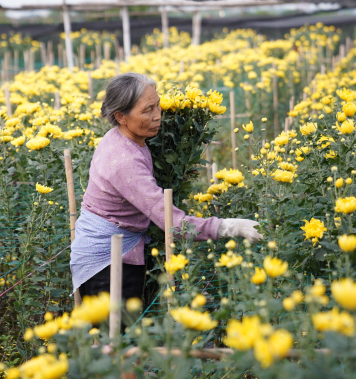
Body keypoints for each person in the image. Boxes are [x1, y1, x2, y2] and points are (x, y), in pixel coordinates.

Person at [71, 72, 262, 300]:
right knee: (115, 333)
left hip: (118, 250)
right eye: (147, 110)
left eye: (158, 105)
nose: (158, 116)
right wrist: (230, 227)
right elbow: (172, 222)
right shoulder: (124, 161)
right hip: (107, 263)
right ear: (121, 116)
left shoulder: (120, 138)